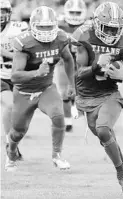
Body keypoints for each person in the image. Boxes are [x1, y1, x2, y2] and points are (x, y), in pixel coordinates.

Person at [71, 1, 123, 195]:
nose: (110, 34)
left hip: (110, 94)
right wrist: (96, 67)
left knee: (103, 130)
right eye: (107, 29)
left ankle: (121, 175)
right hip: (86, 97)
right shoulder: (84, 35)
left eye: (114, 29)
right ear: (96, 23)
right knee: (107, 137)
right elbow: (77, 74)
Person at [5, 6, 75, 172]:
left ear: (55, 25)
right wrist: (36, 72)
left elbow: (68, 59)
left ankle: (57, 156)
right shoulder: (25, 43)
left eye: (49, 26)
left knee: (58, 116)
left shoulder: (60, 38)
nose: (45, 31)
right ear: (33, 25)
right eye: (42, 26)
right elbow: (15, 76)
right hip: (23, 92)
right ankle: (11, 152)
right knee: (17, 132)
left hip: (46, 88)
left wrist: (71, 83)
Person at [1, 0, 27, 162]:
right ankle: (8, 143)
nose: (0, 14)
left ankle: (13, 145)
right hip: (1, 77)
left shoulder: (19, 28)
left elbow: (25, 53)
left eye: (3, 11)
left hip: (18, 77)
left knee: (20, 116)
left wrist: (5, 52)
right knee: (10, 105)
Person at [54, 0, 87, 132]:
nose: (74, 15)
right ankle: (68, 122)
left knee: (83, 91)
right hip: (63, 61)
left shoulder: (89, 26)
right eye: (72, 12)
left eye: (77, 12)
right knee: (64, 93)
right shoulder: (58, 24)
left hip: (82, 63)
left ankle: (78, 109)